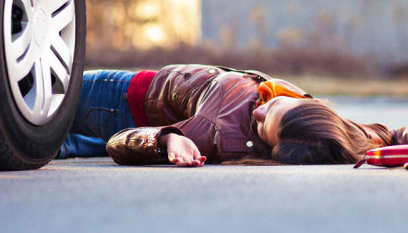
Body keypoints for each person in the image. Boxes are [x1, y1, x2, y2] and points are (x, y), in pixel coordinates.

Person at [56, 64, 408, 167]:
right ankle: (71, 144)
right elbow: (389, 136)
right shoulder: (328, 131)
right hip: (129, 92)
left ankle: (71, 142)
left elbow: (122, 142)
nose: (259, 109)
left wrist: (166, 138)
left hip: (112, 99)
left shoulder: (214, 131)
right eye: (275, 106)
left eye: (263, 125)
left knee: (11, 100)